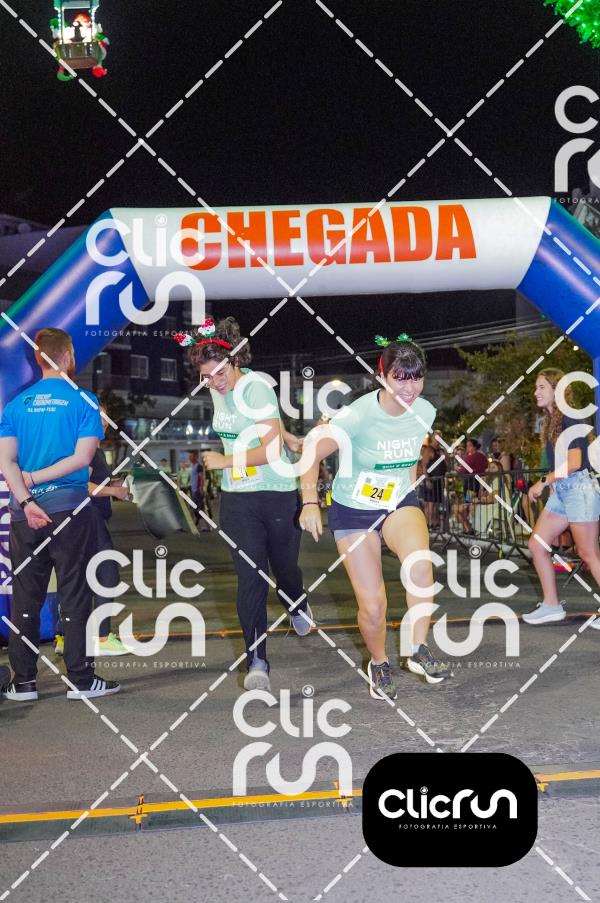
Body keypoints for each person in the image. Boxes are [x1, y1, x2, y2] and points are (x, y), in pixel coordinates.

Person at [300, 333, 452, 700]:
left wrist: (408, 490)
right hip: (353, 509)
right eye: (400, 378)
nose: (409, 388)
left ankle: (418, 649)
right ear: (382, 376)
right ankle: (379, 662)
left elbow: (411, 456)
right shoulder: (356, 416)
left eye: (416, 378)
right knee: (373, 605)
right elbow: (312, 451)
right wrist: (309, 502)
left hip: (397, 501)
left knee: (420, 566)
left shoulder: (425, 412)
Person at [175, 317, 312, 691]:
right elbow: (254, 422)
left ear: (234, 360)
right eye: (207, 377)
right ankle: (257, 662)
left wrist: (225, 460)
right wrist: (287, 434)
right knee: (251, 577)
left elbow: (269, 450)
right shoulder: (217, 387)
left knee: (285, 569)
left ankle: (296, 601)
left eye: (219, 373)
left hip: (276, 492)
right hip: (237, 499)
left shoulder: (256, 387)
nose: (215, 382)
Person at [0, 328, 120, 700]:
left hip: (24, 515)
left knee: (26, 597)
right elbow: (83, 459)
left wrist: (27, 500)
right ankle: (81, 679)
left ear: (38, 358)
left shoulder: (16, 405)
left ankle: (23, 682)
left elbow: (6, 462)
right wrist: (39, 479)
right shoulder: (83, 401)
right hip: (70, 510)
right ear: (67, 356)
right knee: (75, 593)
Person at [523, 368, 600, 627]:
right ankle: (551, 606)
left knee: (588, 553)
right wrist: (555, 483)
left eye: (541, 387)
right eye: (536, 387)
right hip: (564, 491)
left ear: (557, 390)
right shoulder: (552, 421)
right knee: (537, 545)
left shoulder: (569, 416)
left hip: (579, 489)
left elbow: (576, 462)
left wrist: (545, 481)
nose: (536, 392)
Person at [54, 405, 129, 657]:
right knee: (107, 574)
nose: (104, 424)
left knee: (77, 577)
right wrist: (115, 491)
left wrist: (113, 484)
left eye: (106, 419)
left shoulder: (85, 447)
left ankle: (65, 637)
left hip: (79, 518)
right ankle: (102, 637)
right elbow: (80, 485)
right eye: (100, 419)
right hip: (88, 518)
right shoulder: (85, 447)